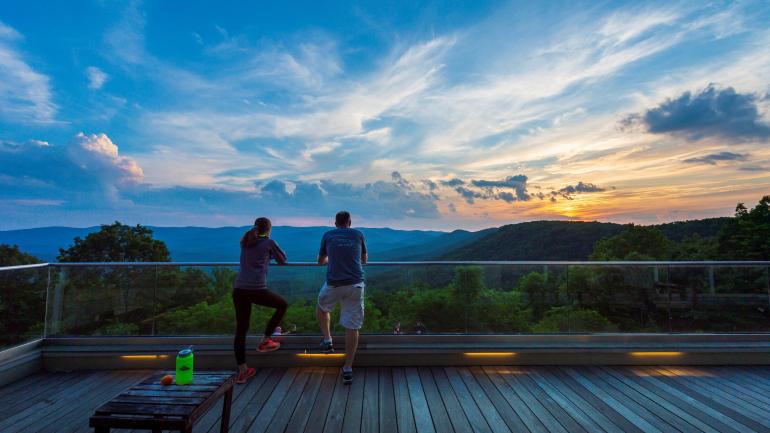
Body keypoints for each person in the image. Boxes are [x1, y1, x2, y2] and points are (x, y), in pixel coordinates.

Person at [232, 217, 288, 384]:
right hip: (256, 289)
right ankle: (265, 340)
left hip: (239, 290)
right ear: (268, 229)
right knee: (282, 305)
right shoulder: (269, 242)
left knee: (241, 330)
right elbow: (282, 260)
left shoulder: (246, 242)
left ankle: (242, 371)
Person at [316, 210, 367, 384]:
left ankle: (328, 339)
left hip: (334, 283)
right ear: (350, 222)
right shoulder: (358, 234)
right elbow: (364, 260)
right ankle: (347, 368)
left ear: (335, 222)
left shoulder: (328, 235)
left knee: (322, 308)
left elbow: (320, 261)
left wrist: (332, 260)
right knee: (352, 327)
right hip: (355, 284)